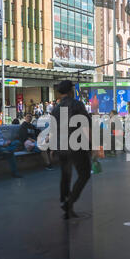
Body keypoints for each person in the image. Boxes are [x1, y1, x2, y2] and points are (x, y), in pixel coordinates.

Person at [51, 80, 91, 219]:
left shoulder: (55, 109)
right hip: (77, 145)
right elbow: (86, 126)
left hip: (61, 147)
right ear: (70, 91)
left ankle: (67, 203)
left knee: (65, 176)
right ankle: (69, 203)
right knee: (85, 174)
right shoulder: (77, 105)